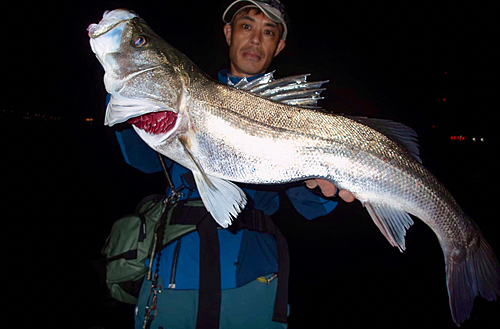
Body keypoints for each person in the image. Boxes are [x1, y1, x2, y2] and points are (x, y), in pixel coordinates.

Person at [115, 1, 354, 328]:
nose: (256, 39)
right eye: (247, 26)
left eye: (268, 32)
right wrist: (127, 87)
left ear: (278, 45)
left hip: (253, 276)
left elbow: (310, 206)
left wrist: (322, 190)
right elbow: (141, 160)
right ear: (228, 32)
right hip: (174, 266)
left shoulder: (295, 115)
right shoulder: (184, 91)